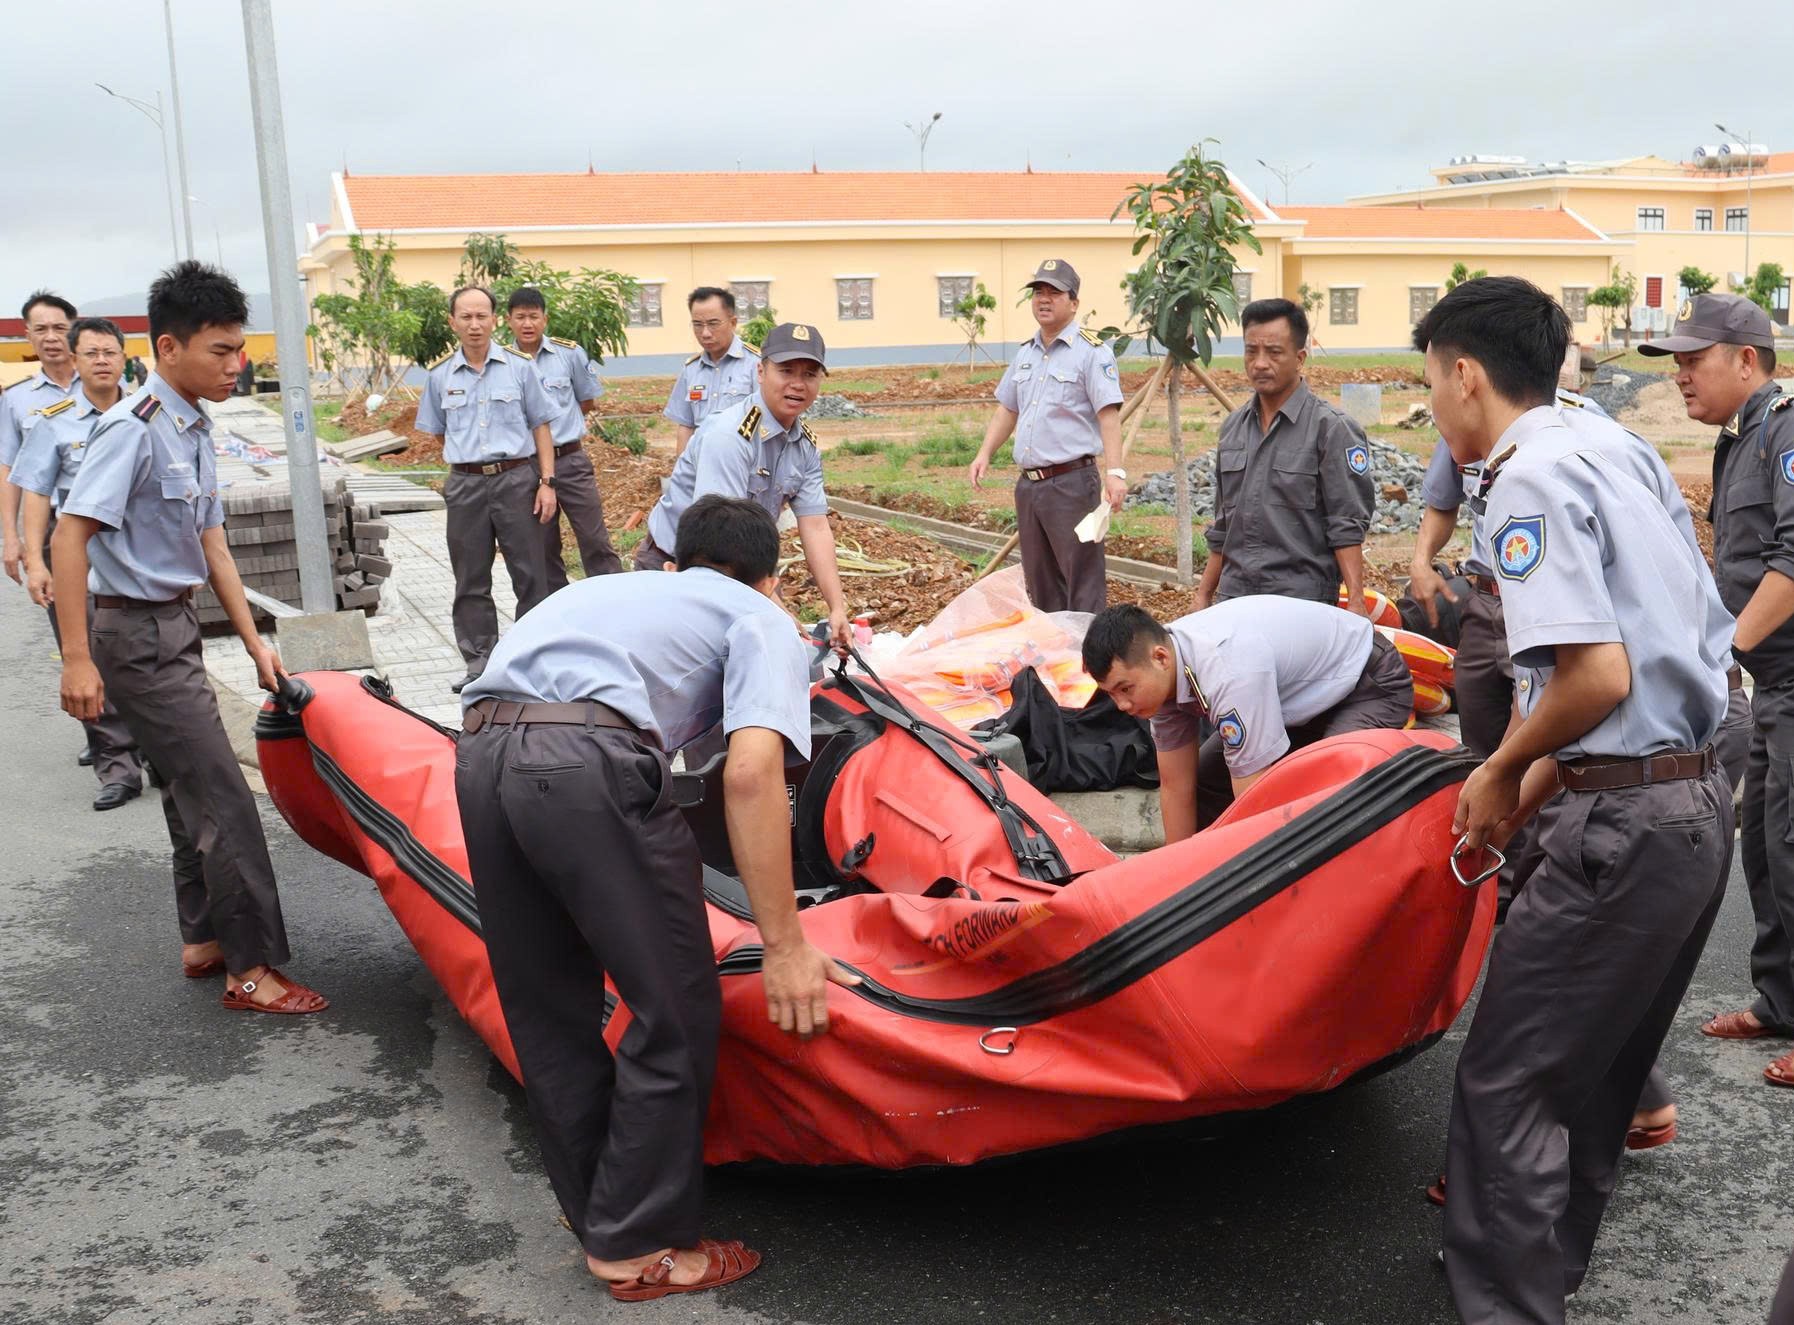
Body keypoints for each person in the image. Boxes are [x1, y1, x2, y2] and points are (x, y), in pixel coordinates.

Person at [1418, 276, 1732, 1323]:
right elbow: (1649, 664)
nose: (1434, 408)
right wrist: (1533, 773)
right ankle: (1540, 1271)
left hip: (1620, 829)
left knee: (1506, 1082)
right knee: (1595, 1078)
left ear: (1466, 372)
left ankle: (1507, 1301)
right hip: (1689, 804)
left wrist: (1498, 769)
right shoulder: (1617, 448)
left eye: (1431, 384)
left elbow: (1595, 677)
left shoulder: (1525, 481)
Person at [457, 495, 857, 1302]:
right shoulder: (761, 617)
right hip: (584, 764)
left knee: (546, 1005)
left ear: (676, 561)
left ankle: (599, 1212)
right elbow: (749, 774)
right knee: (672, 1003)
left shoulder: (613, 590)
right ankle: (639, 1243)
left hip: (480, 753)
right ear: (770, 580)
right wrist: (785, 945)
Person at [52, 260, 326, 1015]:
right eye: (221, 351)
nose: (237, 365)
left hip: (172, 626)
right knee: (224, 797)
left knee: (186, 789)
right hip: (133, 635)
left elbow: (214, 546)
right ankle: (252, 969)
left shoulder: (195, 426)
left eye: (241, 350)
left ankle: (205, 940)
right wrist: (76, 656)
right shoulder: (130, 430)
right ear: (168, 347)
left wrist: (254, 642)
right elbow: (68, 538)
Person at [1640, 293, 1794, 1087]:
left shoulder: (1788, 429)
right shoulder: (1744, 438)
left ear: (1746, 359)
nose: (1681, 378)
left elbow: (1793, 563)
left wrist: (1722, 652)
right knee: (1766, 847)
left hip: (1786, 671)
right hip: (1772, 679)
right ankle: (1780, 999)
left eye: (1694, 361)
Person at [1081, 597, 1413, 842]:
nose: (1122, 705)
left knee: (1329, 796)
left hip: (1366, 684)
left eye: (1125, 688)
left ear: (1160, 658)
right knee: (1206, 784)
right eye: (1111, 694)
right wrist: (1175, 879)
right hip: (1298, 703)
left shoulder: (1227, 671)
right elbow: (1176, 786)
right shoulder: (1163, 675)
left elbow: (1253, 801)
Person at [638, 322, 852, 650]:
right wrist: (774, 607)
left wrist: (837, 608)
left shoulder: (804, 445)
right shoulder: (730, 436)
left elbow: (816, 526)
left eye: (810, 374)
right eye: (786, 371)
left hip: (740, 564)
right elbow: (719, 537)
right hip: (679, 566)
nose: (798, 384)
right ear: (760, 371)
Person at [11, 316, 144, 809]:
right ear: (76, 359)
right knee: (86, 655)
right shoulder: (54, 421)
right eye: (91, 353)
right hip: (79, 559)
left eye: (110, 352)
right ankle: (117, 766)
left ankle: (153, 749)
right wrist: (35, 559)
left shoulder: (144, 414)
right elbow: (37, 494)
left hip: (137, 556)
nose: (102, 361)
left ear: (123, 357)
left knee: (138, 654)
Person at [415, 285, 560, 693]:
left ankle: (532, 659)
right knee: (470, 577)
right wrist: (464, 469)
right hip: (465, 485)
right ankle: (480, 662)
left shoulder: (519, 367)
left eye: (482, 316)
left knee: (531, 573)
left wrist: (546, 482)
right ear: (453, 322)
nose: (475, 325)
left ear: (495, 319)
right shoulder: (440, 375)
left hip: (518, 479)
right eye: (466, 317)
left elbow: (541, 426)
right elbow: (435, 434)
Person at [966, 259, 1125, 614]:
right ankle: (1054, 657)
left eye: (1054, 292)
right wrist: (984, 453)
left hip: (1071, 484)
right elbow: (1008, 409)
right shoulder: (1026, 352)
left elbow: (1108, 414)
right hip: (1030, 487)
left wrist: (1116, 472)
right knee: (1040, 582)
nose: (1044, 299)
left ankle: (1086, 662)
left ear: (1074, 302)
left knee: (1080, 579)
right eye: (1039, 292)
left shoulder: (1092, 351)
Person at [1195, 298, 1374, 612]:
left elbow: (1346, 527)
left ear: (1300, 358)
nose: (1260, 363)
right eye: (1251, 351)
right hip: (1235, 599)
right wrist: (1202, 597)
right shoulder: (1233, 429)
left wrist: (1356, 604)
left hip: (1302, 603)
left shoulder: (1332, 430)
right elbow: (1224, 525)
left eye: (1274, 352)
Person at [503, 286, 623, 586]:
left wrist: (560, 432)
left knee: (594, 539)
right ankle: (557, 610)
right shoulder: (502, 362)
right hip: (526, 467)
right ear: (508, 321)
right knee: (542, 547)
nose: (527, 324)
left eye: (533, 316)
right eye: (520, 317)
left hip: (570, 460)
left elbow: (587, 401)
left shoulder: (568, 354)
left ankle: (615, 601)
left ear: (545, 319)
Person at [2, 290, 81, 586]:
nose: (51, 337)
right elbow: (7, 468)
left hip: (112, 522)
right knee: (69, 621)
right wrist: (12, 537)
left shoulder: (105, 386)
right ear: (28, 336)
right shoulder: (16, 399)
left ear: (75, 332)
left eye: (59, 328)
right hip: (51, 524)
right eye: (41, 329)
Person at [664, 287, 760, 456]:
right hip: (701, 467)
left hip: (742, 465)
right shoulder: (691, 369)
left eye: (713, 324)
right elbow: (686, 426)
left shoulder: (756, 364)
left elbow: (766, 425)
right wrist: (681, 474)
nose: (705, 333)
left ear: (733, 322)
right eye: (698, 325)